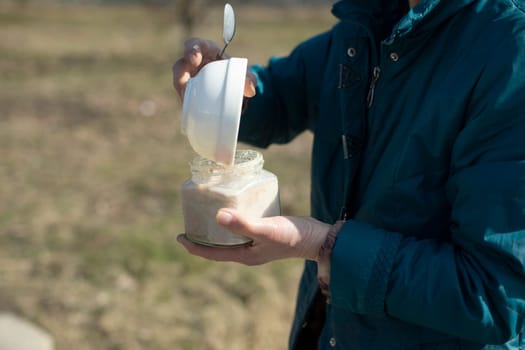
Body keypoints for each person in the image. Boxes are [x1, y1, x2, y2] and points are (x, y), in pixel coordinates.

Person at [173, 0, 525, 349]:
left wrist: (320, 245)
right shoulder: (372, 19)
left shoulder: (511, 51)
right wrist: (225, 93)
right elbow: (283, 94)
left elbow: (496, 296)